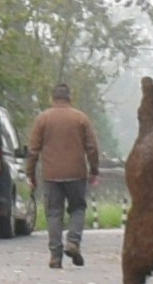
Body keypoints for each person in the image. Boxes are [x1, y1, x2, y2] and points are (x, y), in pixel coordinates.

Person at [28, 82, 104, 268]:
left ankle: (55, 256)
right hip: (76, 173)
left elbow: (33, 150)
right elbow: (92, 148)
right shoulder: (81, 118)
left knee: (54, 213)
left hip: (51, 175)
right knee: (78, 208)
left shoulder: (43, 119)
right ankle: (73, 242)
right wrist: (94, 170)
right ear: (70, 98)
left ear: (52, 98)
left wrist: (31, 174)